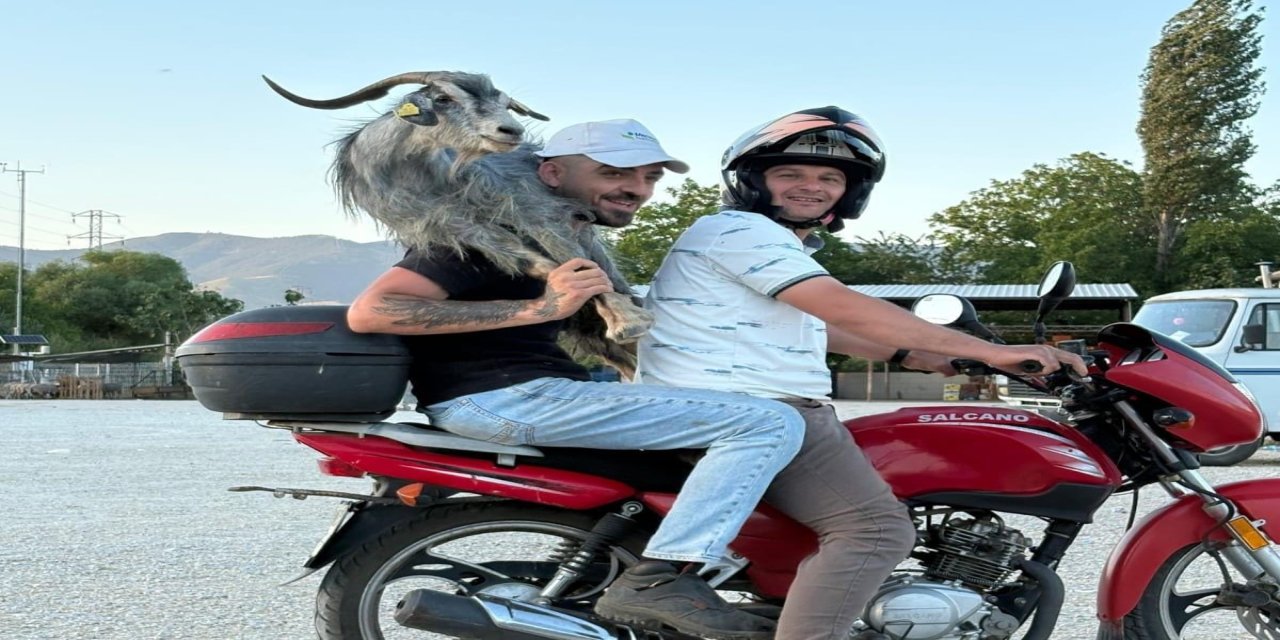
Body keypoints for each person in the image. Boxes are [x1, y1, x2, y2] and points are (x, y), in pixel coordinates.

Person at [635, 106, 1088, 640]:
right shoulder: (740, 232)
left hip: (753, 405)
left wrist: (912, 357)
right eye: (791, 174)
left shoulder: (766, 242)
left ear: (850, 192)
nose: (813, 186)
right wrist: (992, 352)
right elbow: (838, 305)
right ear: (753, 182)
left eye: (830, 178)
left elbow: (811, 324)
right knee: (874, 530)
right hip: (757, 410)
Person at [347, 118, 804, 639]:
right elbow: (374, 309)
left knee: (731, 422)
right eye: (613, 173)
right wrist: (539, 308)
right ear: (552, 172)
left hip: (538, 391)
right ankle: (665, 577)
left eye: (651, 177)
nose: (637, 189)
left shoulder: (563, 240)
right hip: (502, 398)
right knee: (766, 424)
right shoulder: (481, 236)